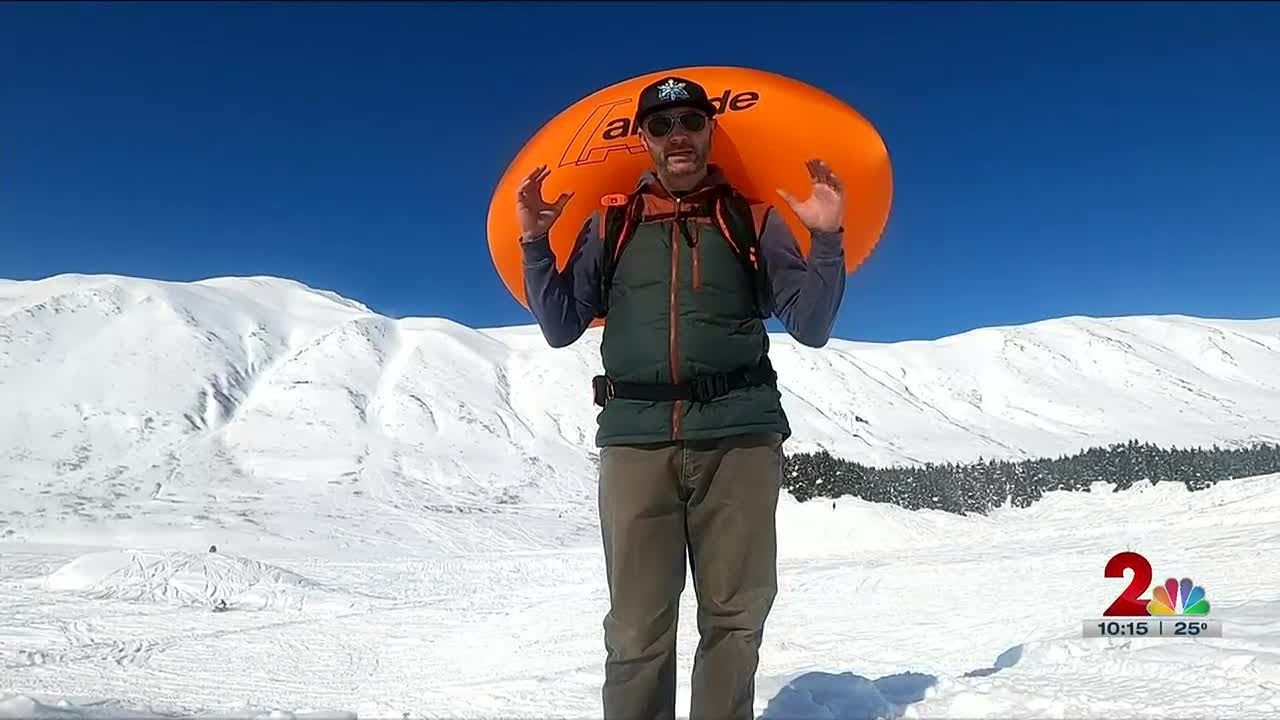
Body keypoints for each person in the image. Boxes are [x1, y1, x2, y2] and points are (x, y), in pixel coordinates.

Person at [516, 75, 847, 720]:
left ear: (709, 131)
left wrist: (827, 240)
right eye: (663, 126)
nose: (678, 137)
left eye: (691, 123)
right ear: (643, 138)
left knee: (735, 617)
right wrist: (534, 242)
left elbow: (811, 326)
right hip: (636, 441)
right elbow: (560, 326)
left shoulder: (753, 221)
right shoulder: (610, 223)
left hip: (740, 438)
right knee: (637, 628)